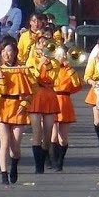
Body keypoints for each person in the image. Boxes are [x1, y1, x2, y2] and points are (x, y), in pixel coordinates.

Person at [0, 39, 33, 185]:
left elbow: (31, 90)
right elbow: (0, 90)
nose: (6, 54)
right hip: (3, 107)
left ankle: (14, 165)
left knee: (15, 146)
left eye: (9, 51)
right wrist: (0, 76)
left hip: (18, 108)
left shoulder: (22, 70)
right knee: (4, 142)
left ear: (15, 52)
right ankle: (3, 173)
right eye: (3, 51)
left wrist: (25, 102)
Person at [25, 34, 61, 174]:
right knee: (37, 132)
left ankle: (45, 156)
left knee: (48, 133)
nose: (42, 47)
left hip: (49, 95)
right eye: (40, 44)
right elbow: (32, 77)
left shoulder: (54, 62)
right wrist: (40, 64)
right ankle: (38, 165)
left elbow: (53, 78)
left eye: (45, 44)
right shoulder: (31, 60)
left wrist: (48, 64)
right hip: (36, 95)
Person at [49, 44, 82, 171]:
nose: (61, 57)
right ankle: (54, 161)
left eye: (63, 55)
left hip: (64, 101)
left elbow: (76, 84)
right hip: (53, 100)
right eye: (58, 55)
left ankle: (61, 160)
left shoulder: (69, 70)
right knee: (53, 135)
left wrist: (69, 68)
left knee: (63, 138)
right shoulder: (51, 68)